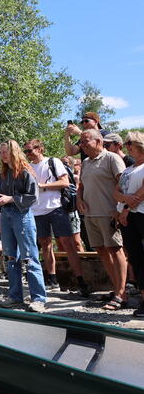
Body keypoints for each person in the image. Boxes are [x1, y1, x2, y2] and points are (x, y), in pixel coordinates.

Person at [24, 139, 89, 296]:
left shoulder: (52, 162)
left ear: (40, 149)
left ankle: (81, 281)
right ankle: (52, 280)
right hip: (37, 211)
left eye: (30, 150)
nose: (28, 154)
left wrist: (42, 186)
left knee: (68, 244)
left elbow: (65, 182)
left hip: (56, 208)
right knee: (45, 244)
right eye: (25, 151)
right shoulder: (28, 168)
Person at [78, 128, 128, 311]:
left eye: (85, 141)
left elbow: (124, 184)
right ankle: (116, 289)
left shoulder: (112, 158)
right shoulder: (85, 162)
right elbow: (81, 185)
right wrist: (79, 199)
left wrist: (120, 208)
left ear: (99, 141)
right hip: (90, 215)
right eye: (80, 143)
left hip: (109, 213)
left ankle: (122, 293)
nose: (82, 146)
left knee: (116, 250)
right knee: (101, 250)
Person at [0, 140, 48, 313]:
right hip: (6, 216)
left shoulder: (25, 171)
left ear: (14, 152)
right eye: (1, 152)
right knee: (11, 257)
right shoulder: (3, 175)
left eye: (5, 151)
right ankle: (15, 296)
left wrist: (10, 199)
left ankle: (38, 299)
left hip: (22, 216)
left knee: (30, 257)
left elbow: (33, 196)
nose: (2, 155)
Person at [114, 131, 144, 317]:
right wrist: (125, 202)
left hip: (141, 213)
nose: (127, 146)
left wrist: (127, 204)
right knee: (136, 257)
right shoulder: (128, 168)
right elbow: (115, 192)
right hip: (128, 217)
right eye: (125, 143)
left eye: (129, 142)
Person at [61, 156, 86, 252]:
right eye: (62, 163)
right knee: (62, 242)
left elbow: (77, 190)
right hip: (60, 210)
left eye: (66, 163)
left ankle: (83, 260)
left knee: (77, 241)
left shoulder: (74, 177)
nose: (63, 165)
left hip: (72, 209)